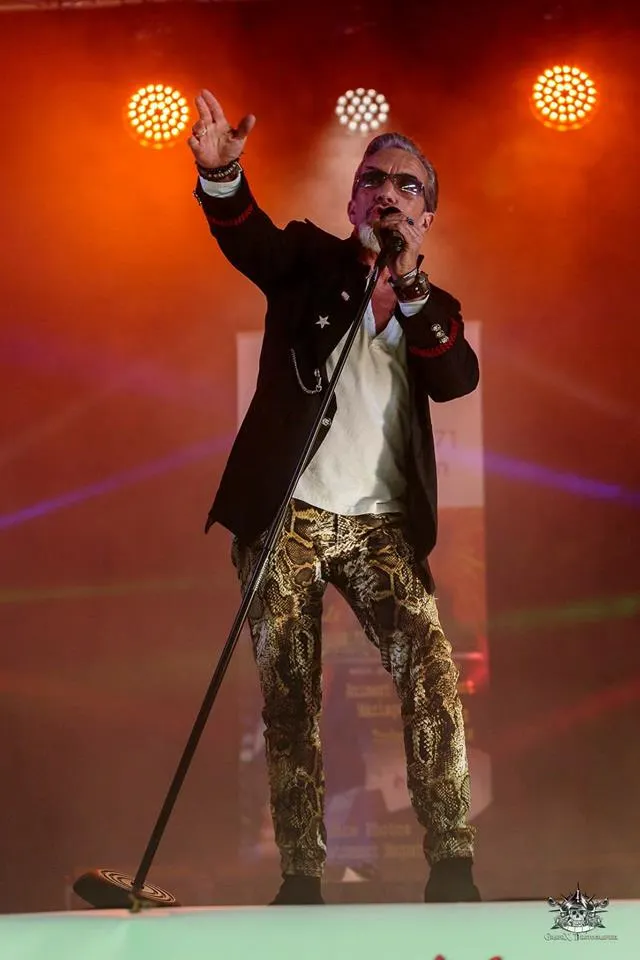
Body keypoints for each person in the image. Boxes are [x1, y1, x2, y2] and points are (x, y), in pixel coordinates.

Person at [189, 89, 481, 905]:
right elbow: (245, 236)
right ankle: (301, 876)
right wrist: (221, 175)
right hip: (289, 515)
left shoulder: (433, 310)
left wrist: (410, 283)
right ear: (353, 202)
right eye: (372, 180)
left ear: (425, 215)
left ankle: (452, 862)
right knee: (290, 694)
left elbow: (456, 380)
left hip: (380, 527)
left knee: (429, 671)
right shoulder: (309, 262)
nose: (387, 192)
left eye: (406, 184)